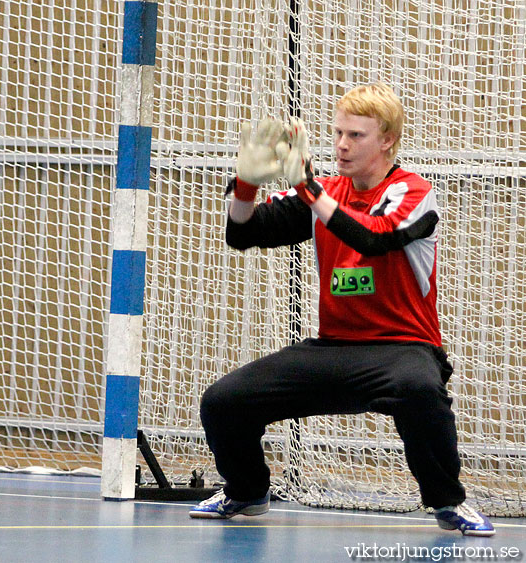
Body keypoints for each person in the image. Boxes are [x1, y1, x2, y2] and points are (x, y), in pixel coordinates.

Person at [188, 82, 495, 537]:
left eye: (356, 135)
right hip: (333, 347)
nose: (341, 145)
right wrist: (246, 185)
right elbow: (243, 234)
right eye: (337, 134)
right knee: (224, 401)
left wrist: (310, 190)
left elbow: (371, 236)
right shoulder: (326, 192)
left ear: (387, 139)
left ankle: (447, 502)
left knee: (419, 390)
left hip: (402, 348)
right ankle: (247, 492)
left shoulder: (413, 193)